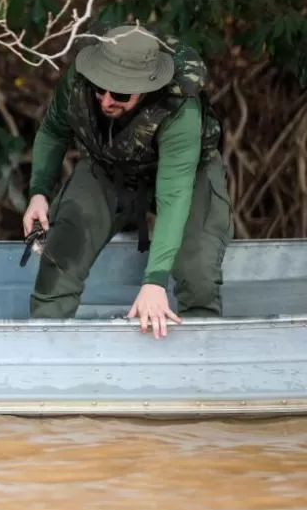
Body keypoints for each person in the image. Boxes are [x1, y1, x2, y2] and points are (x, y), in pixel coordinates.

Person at [22, 23, 233, 339]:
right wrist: (39, 193)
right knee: (60, 257)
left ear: (147, 86)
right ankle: (43, 357)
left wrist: (154, 281)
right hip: (109, 168)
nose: (106, 100)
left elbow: (174, 194)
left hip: (188, 175)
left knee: (198, 272)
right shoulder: (78, 82)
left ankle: (198, 367)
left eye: (120, 93)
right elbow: (53, 131)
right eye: (100, 88)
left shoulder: (179, 109)